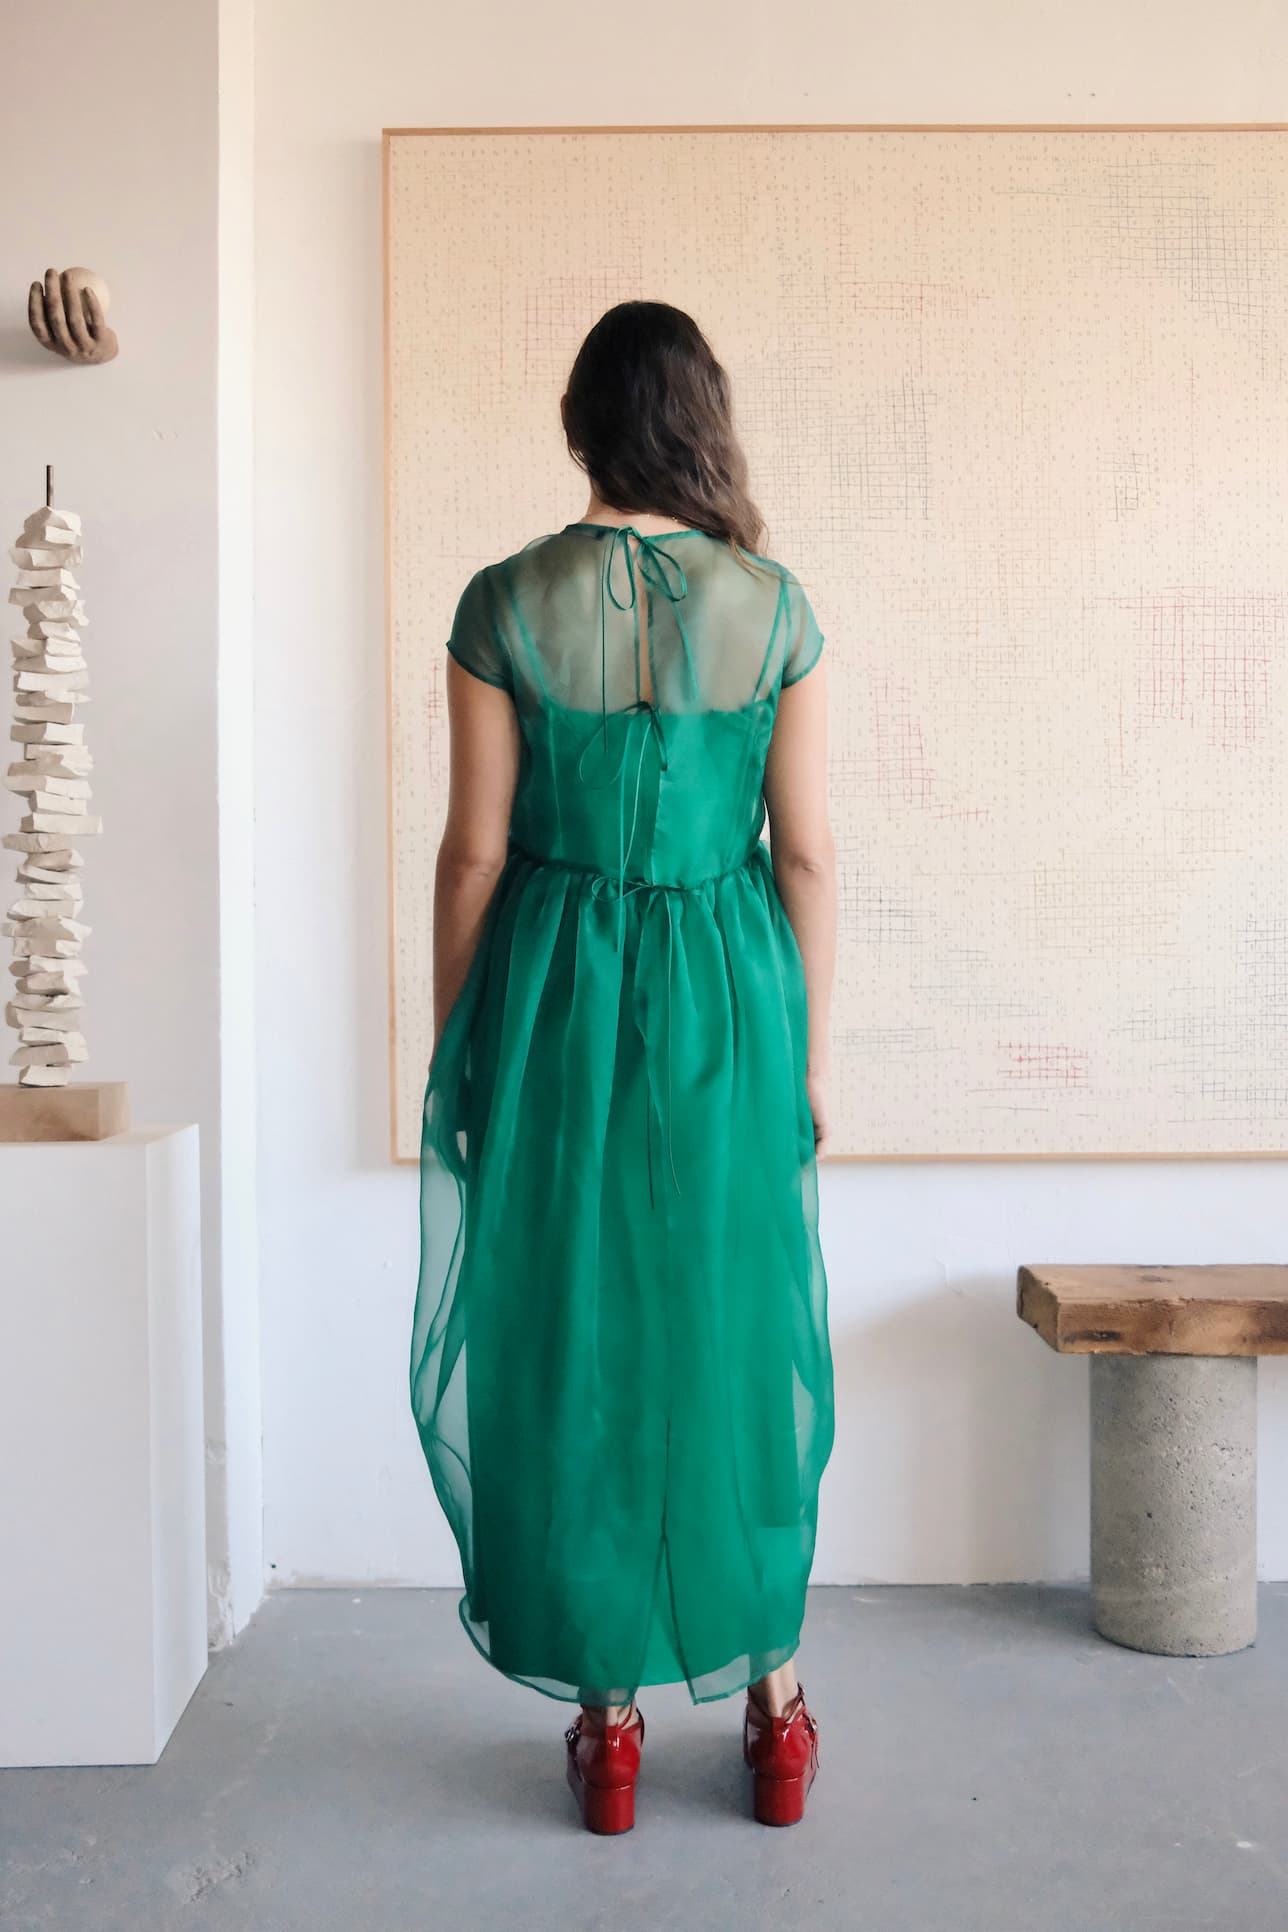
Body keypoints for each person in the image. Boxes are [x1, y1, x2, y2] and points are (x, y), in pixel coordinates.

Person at [409, 300, 836, 1833]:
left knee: (576, 1333)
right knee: (728, 1329)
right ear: (699, 420)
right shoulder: (773, 606)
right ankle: (776, 1713)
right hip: (728, 1002)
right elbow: (807, 856)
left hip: (556, 1005)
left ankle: (606, 1729)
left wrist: (461, 1046)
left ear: (583, 421)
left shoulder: (504, 602)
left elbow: (473, 854)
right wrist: (805, 1059)